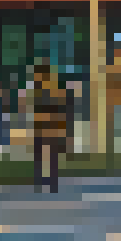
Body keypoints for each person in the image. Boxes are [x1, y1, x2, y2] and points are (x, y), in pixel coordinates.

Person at [26, 62, 73, 192]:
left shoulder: (53, 90)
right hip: (43, 126)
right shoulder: (39, 90)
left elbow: (62, 110)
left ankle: (49, 180)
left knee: (49, 153)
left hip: (50, 127)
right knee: (42, 153)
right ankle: (44, 179)